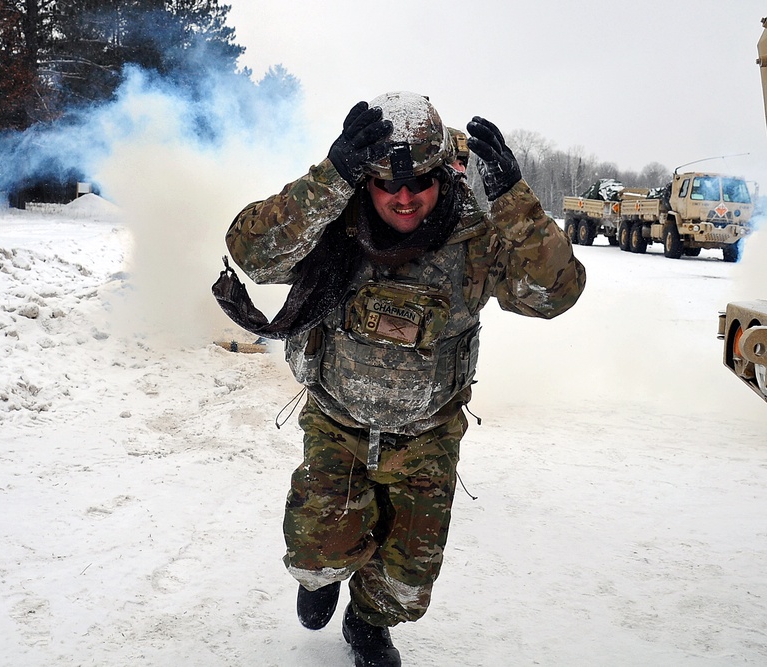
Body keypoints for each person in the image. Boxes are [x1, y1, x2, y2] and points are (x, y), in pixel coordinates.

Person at [212, 91, 585, 667]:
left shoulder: (476, 240)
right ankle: (325, 574)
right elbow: (250, 252)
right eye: (388, 184)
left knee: (407, 585)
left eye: (421, 182)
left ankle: (368, 624)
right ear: (366, 179)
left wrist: (514, 202)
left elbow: (555, 294)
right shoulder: (334, 224)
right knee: (314, 559)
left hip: (428, 436)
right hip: (337, 424)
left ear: (444, 174)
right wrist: (328, 178)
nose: (405, 199)